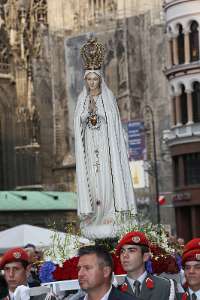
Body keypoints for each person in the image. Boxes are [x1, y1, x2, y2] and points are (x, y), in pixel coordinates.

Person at [74, 37, 136, 239]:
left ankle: (110, 215)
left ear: (100, 79)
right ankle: (95, 216)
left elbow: (112, 122)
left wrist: (100, 115)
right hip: (90, 152)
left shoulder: (108, 99)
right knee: (93, 183)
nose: (92, 82)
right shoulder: (82, 100)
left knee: (108, 181)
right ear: (86, 81)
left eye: (95, 79)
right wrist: (85, 117)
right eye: (89, 79)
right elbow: (78, 123)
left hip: (107, 151)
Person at [116, 231, 173, 300]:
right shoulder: (115, 289)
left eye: (131, 250)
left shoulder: (164, 286)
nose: (125, 255)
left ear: (145, 257)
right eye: (122, 251)